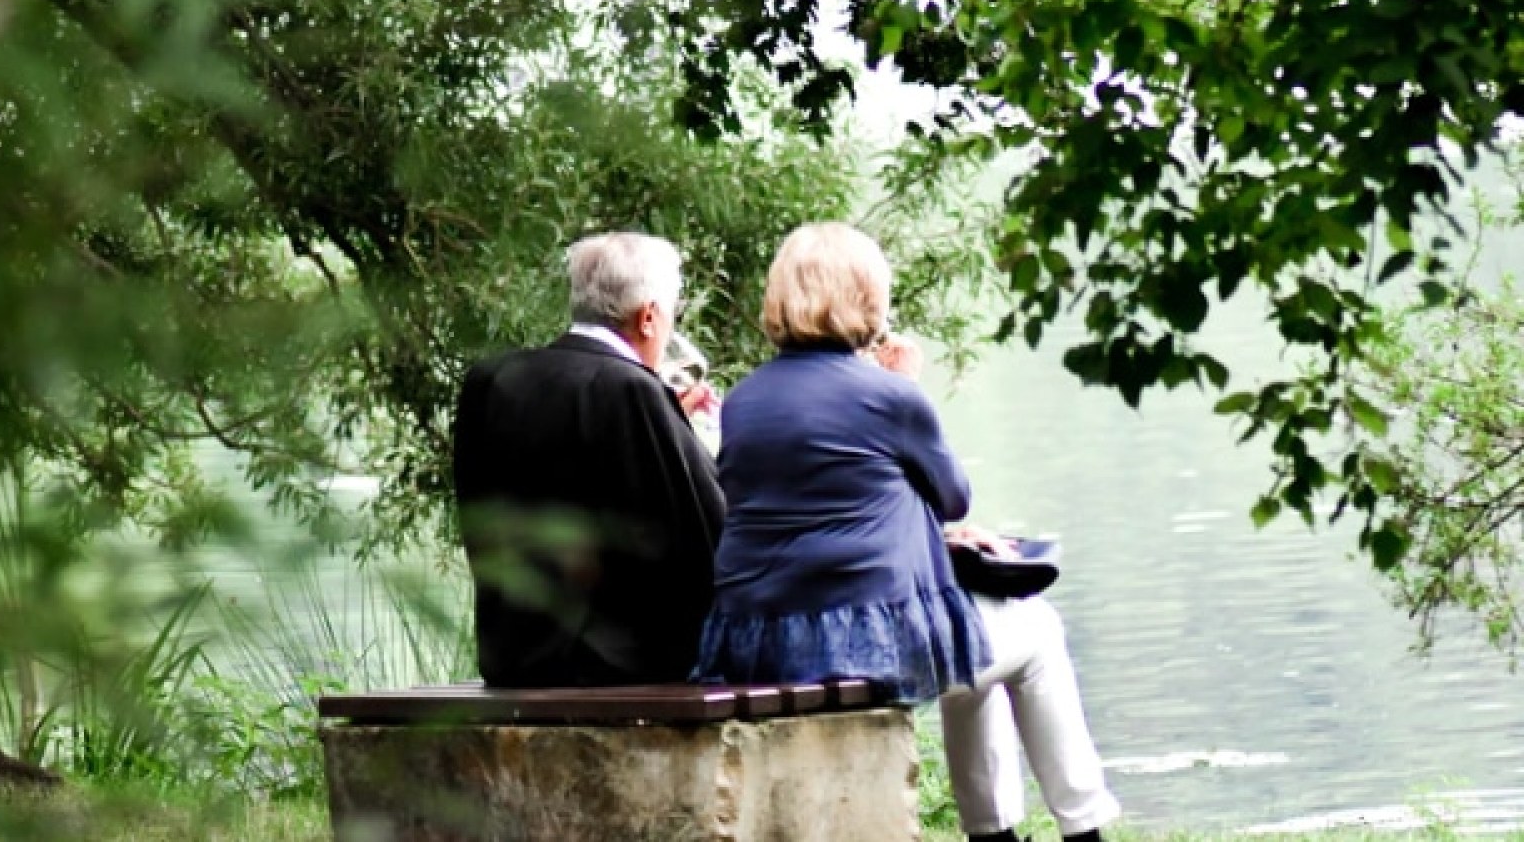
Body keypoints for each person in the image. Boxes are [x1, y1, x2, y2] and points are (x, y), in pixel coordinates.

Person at [690, 222, 1119, 842]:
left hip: (759, 639)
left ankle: (993, 833)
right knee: (1037, 632)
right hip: (861, 642)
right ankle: (1082, 829)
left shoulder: (744, 401)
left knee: (975, 646)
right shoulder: (889, 396)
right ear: (867, 296)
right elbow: (952, 498)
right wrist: (906, 387)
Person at [452, 231, 724, 688]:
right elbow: (702, 532)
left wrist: (671, 419)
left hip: (512, 656)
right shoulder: (631, 390)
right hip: (619, 665)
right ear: (650, 318)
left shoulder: (491, 380)